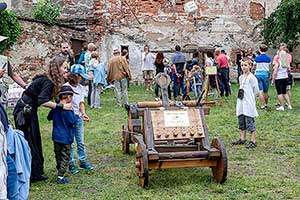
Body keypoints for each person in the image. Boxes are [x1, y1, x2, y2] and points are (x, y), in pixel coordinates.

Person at [13, 56, 71, 182]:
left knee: (35, 140)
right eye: (64, 67)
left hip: (29, 110)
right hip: (24, 112)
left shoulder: (48, 80)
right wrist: (62, 106)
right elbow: (42, 101)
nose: (66, 70)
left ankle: (36, 172)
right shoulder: (48, 82)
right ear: (57, 68)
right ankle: (33, 174)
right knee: (30, 142)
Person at [65, 64, 94, 174]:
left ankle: (82, 161)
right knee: (71, 142)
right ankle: (71, 163)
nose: (82, 79)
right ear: (75, 75)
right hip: (69, 119)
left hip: (78, 118)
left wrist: (83, 113)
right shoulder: (66, 87)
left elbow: (81, 102)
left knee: (81, 142)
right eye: (81, 76)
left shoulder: (81, 88)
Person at [47, 85, 78, 184]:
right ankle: (60, 177)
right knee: (65, 157)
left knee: (58, 155)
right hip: (66, 137)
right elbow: (73, 121)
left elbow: (49, 117)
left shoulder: (55, 107)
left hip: (56, 137)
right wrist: (74, 113)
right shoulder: (68, 110)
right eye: (71, 96)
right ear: (68, 97)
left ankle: (59, 170)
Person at [232, 58, 259, 148]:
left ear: (250, 66)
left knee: (249, 121)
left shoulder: (252, 78)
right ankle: (242, 138)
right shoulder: (240, 77)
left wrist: (251, 99)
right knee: (241, 120)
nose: (244, 67)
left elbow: (256, 90)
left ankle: (253, 140)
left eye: (245, 65)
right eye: (242, 65)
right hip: (241, 102)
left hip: (248, 102)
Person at [254, 44, 271, 109]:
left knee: (260, 90)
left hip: (258, 74)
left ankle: (262, 105)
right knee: (265, 91)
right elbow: (269, 67)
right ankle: (266, 104)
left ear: (260, 49)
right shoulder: (268, 58)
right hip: (265, 74)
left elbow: (254, 66)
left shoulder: (257, 58)